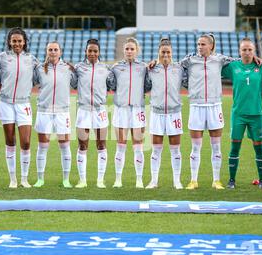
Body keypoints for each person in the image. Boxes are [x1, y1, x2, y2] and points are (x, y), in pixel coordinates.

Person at [179, 34, 262, 190]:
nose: (199, 47)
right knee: (195, 147)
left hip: (214, 106)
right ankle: (193, 180)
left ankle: (216, 180)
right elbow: (174, 67)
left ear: (211, 46)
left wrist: (254, 57)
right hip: (196, 106)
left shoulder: (220, 60)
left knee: (216, 147)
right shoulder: (189, 61)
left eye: (203, 44)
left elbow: (241, 60)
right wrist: (189, 85)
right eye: (198, 44)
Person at [0, 27, 39, 188]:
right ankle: (13, 179)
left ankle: (24, 178)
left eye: (19, 41)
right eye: (14, 41)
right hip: (5, 103)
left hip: (24, 103)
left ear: (24, 42)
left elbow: (42, 74)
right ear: (9, 42)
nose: (17, 43)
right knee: (10, 141)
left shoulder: (31, 59)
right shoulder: (1, 58)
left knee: (25, 142)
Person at [221, 38, 262, 190]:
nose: (247, 52)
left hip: (256, 114)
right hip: (238, 114)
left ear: (254, 51)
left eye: (250, 50)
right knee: (235, 147)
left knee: (259, 147)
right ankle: (231, 180)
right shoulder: (233, 66)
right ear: (239, 51)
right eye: (244, 50)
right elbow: (216, 63)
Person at [33, 41, 77, 188]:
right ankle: (40, 179)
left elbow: (77, 84)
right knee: (42, 146)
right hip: (44, 111)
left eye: (55, 49)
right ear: (47, 51)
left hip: (62, 112)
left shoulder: (68, 68)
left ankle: (66, 179)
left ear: (60, 51)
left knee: (64, 146)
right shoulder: (39, 68)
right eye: (50, 49)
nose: (53, 52)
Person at [72, 39, 114, 188]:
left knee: (101, 144)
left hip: (100, 111)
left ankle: (100, 180)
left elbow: (112, 86)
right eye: (90, 50)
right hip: (83, 110)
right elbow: (72, 83)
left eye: (95, 51)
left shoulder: (106, 69)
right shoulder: (79, 68)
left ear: (99, 52)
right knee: (82, 145)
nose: (92, 53)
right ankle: (82, 180)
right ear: (85, 52)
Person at [109, 37, 150, 188]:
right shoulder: (116, 67)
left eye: (132, 49)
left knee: (138, 144)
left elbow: (148, 86)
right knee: (121, 144)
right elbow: (111, 86)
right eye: (127, 48)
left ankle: (139, 179)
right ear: (123, 50)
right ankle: (118, 179)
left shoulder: (144, 67)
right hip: (121, 109)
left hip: (138, 109)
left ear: (137, 50)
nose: (129, 51)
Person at [145, 38, 184, 189]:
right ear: (158, 53)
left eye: (168, 52)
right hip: (157, 113)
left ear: (172, 53)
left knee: (176, 149)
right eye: (163, 52)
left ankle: (177, 181)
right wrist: (150, 66)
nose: (166, 55)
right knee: (156, 149)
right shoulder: (152, 69)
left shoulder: (179, 68)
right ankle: (154, 181)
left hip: (174, 113)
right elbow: (146, 86)